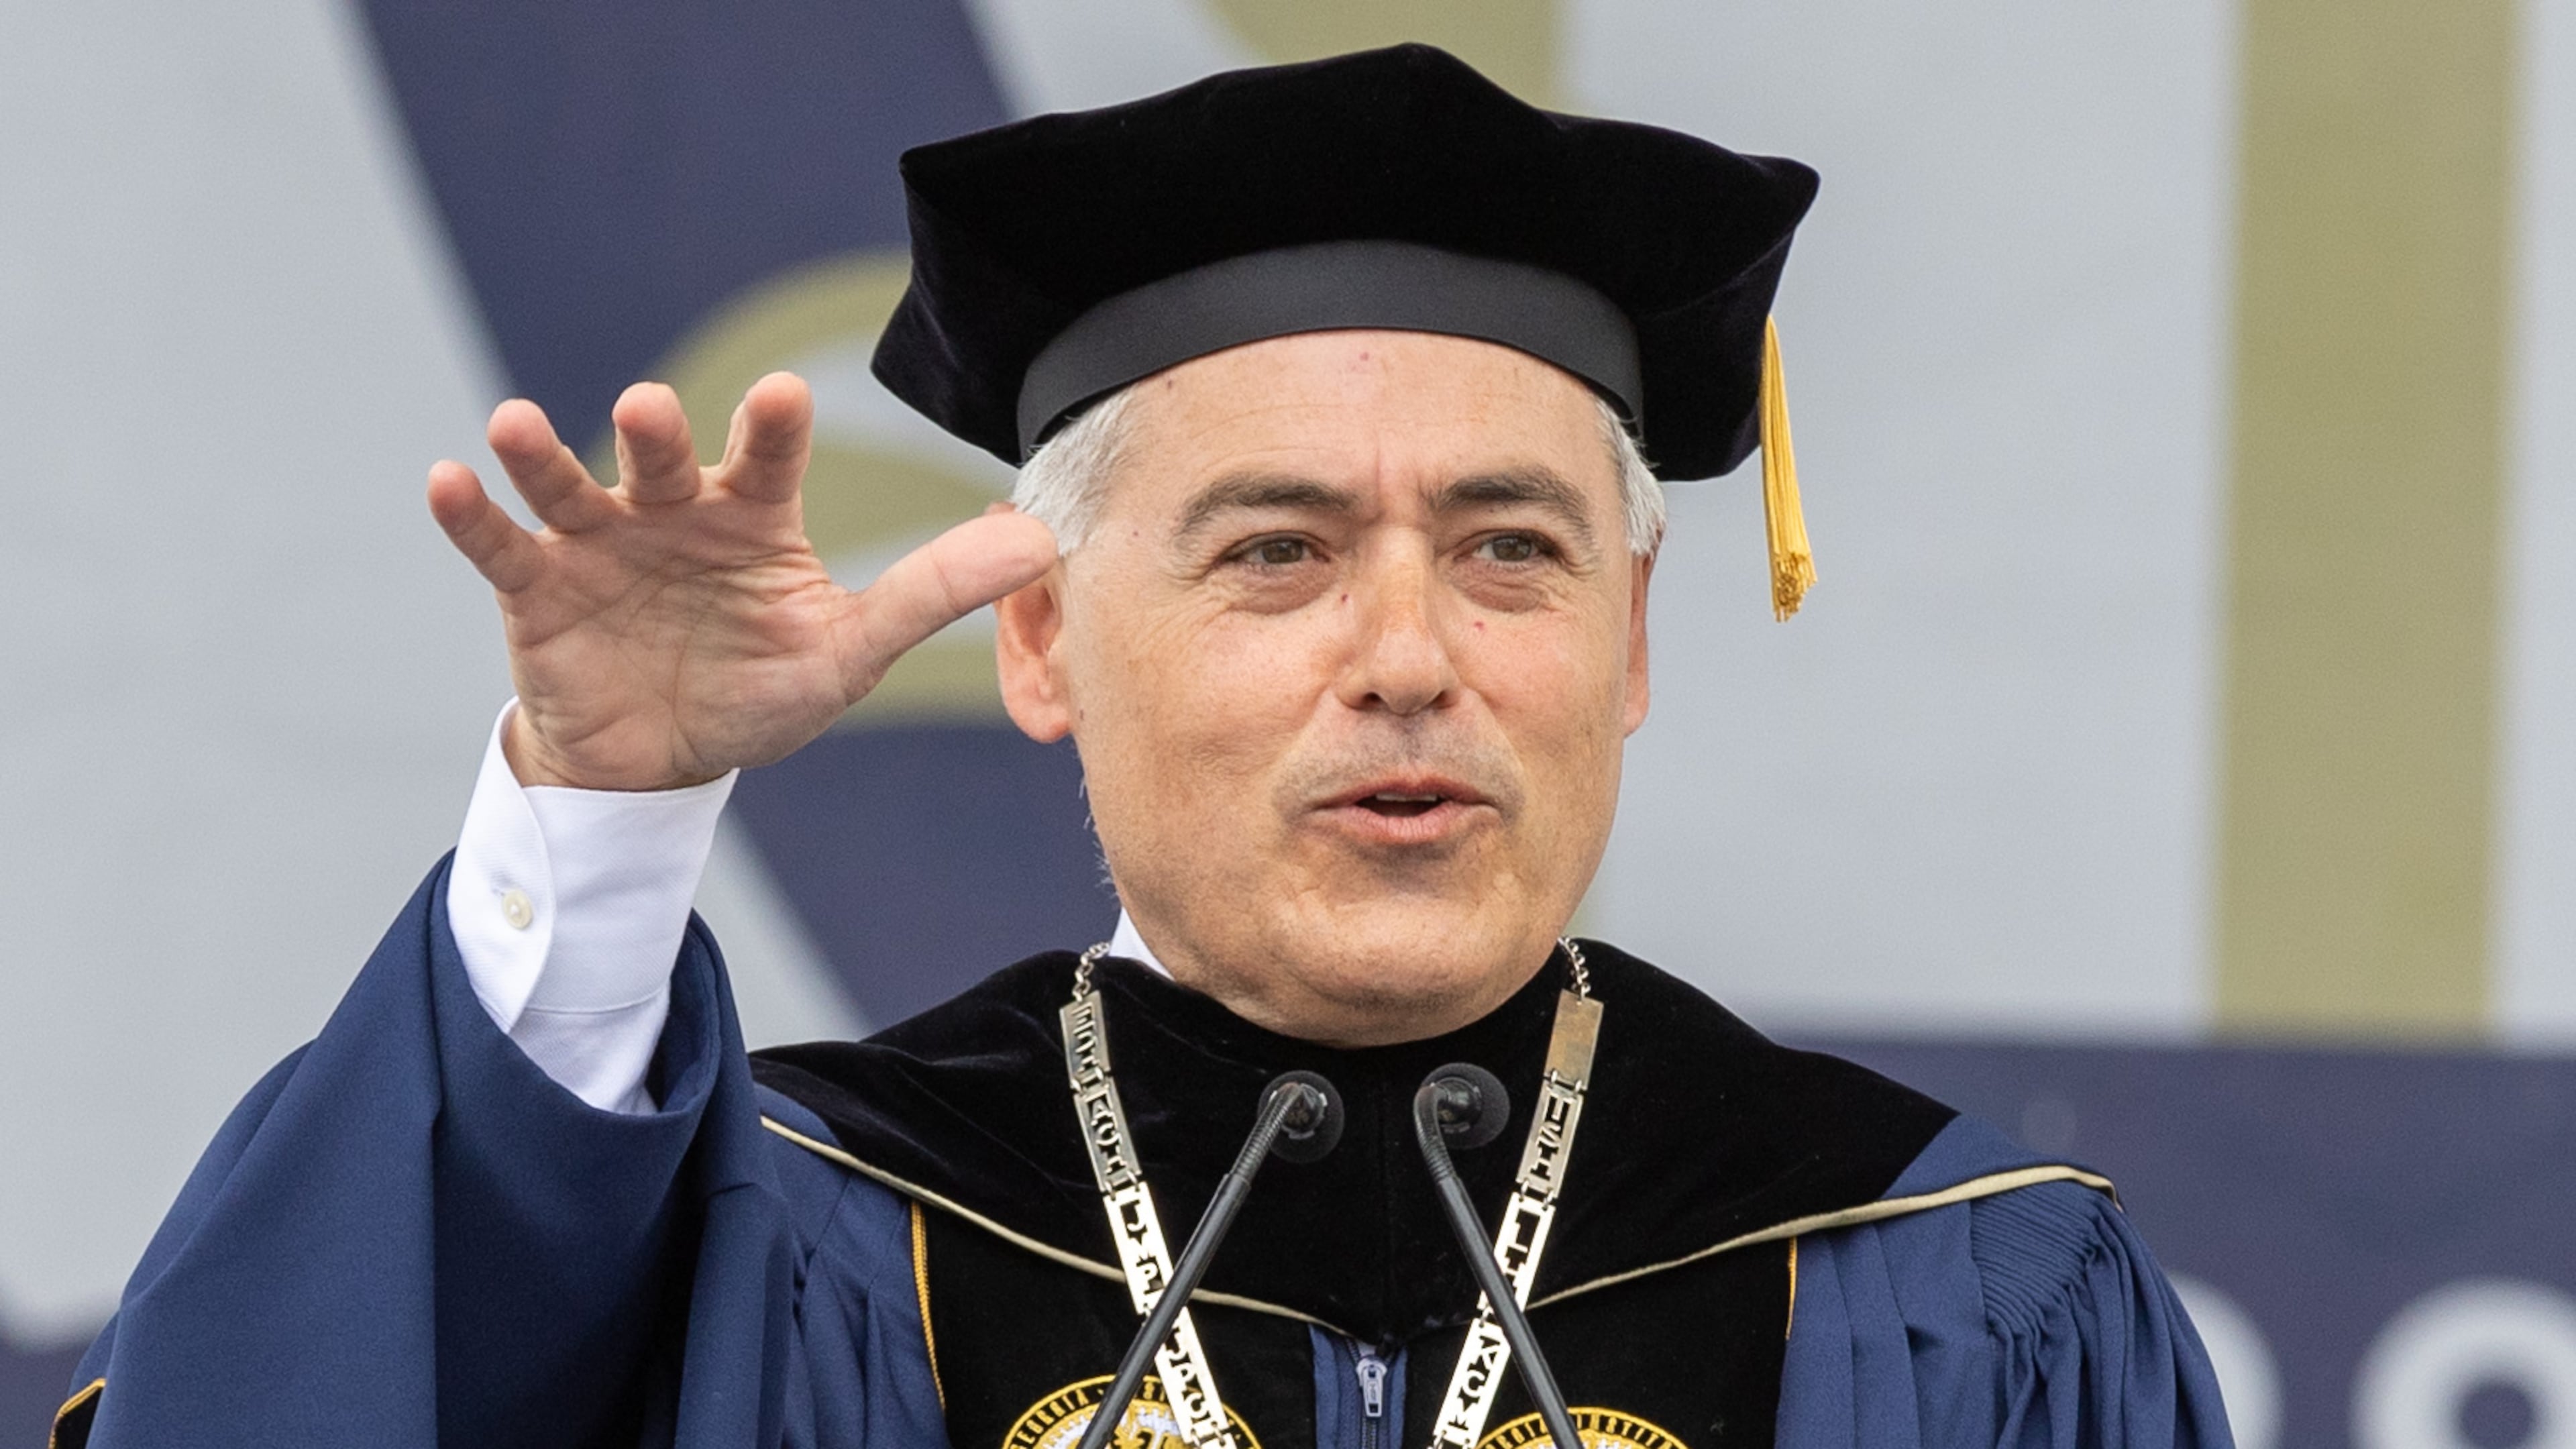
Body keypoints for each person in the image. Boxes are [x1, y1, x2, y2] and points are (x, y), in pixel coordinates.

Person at [58, 44, 2231, 1449]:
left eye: (1508, 552)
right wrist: (607, 825)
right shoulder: (791, 1239)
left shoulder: (1962, 1280)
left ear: (1633, 635)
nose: (1408, 656)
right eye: (1277, 553)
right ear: (1041, 642)